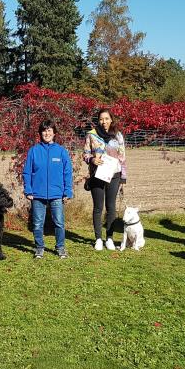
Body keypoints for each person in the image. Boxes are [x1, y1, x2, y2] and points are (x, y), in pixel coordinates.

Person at [23, 120, 73, 259]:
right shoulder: (33, 151)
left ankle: (60, 247)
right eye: (44, 130)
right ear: (40, 133)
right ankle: (39, 248)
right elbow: (27, 172)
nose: (47, 133)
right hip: (37, 195)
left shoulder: (61, 151)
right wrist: (28, 190)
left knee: (59, 222)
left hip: (57, 194)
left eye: (49, 130)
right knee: (38, 223)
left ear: (54, 133)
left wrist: (68, 191)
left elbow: (67, 172)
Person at [83, 108, 126, 250]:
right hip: (97, 176)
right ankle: (98, 239)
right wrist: (91, 160)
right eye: (101, 119)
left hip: (114, 176)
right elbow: (85, 153)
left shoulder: (118, 135)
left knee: (111, 207)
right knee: (98, 208)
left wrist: (123, 177)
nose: (104, 122)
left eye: (106, 118)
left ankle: (109, 238)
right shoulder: (91, 135)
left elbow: (122, 157)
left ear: (111, 119)